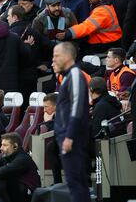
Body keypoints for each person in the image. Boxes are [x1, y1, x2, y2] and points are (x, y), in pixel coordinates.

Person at [52, 42, 90, 202]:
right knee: (77, 181)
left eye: (56, 55)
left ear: (68, 56)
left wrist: (69, 136)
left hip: (71, 137)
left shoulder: (75, 74)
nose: (53, 59)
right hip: (67, 135)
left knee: (75, 182)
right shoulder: (68, 76)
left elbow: (77, 106)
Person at [57, 0, 122, 55]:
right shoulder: (102, 6)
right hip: (106, 43)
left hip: (106, 46)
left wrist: (68, 32)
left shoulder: (102, 11)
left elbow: (87, 26)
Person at [0, 132, 41, 202]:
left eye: (5, 145)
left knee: (2, 178)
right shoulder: (8, 157)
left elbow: (4, 171)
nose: (1, 148)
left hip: (27, 196)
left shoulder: (23, 159)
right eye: (1, 145)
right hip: (14, 192)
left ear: (15, 146)